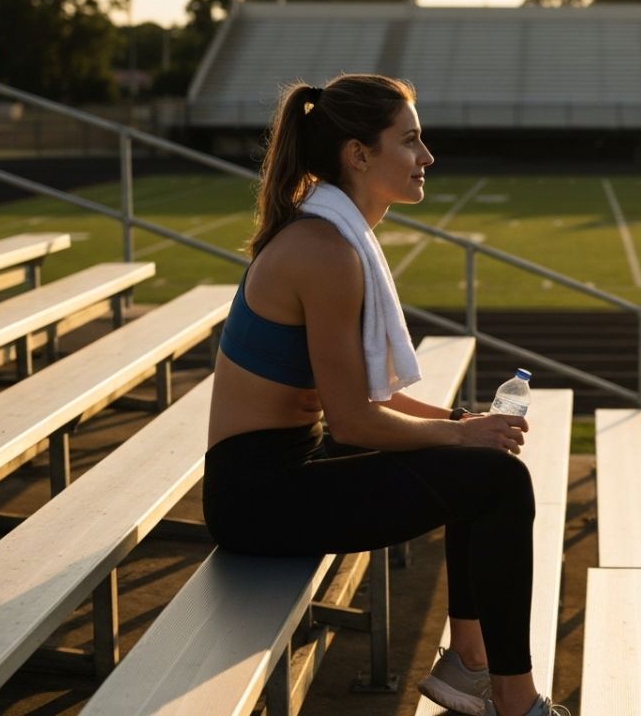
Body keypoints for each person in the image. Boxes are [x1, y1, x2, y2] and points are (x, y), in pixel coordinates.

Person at [202, 74, 569, 716]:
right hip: (258, 497)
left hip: (285, 468)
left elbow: (358, 405)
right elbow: (352, 420)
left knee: (484, 465)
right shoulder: (323, 251)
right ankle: (513, 700)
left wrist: (461, 423)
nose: (426, 157)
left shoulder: (330, 235)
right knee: (495, 481)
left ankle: (471, 665)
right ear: (359, 154)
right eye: (411, 141)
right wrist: (459, 432)